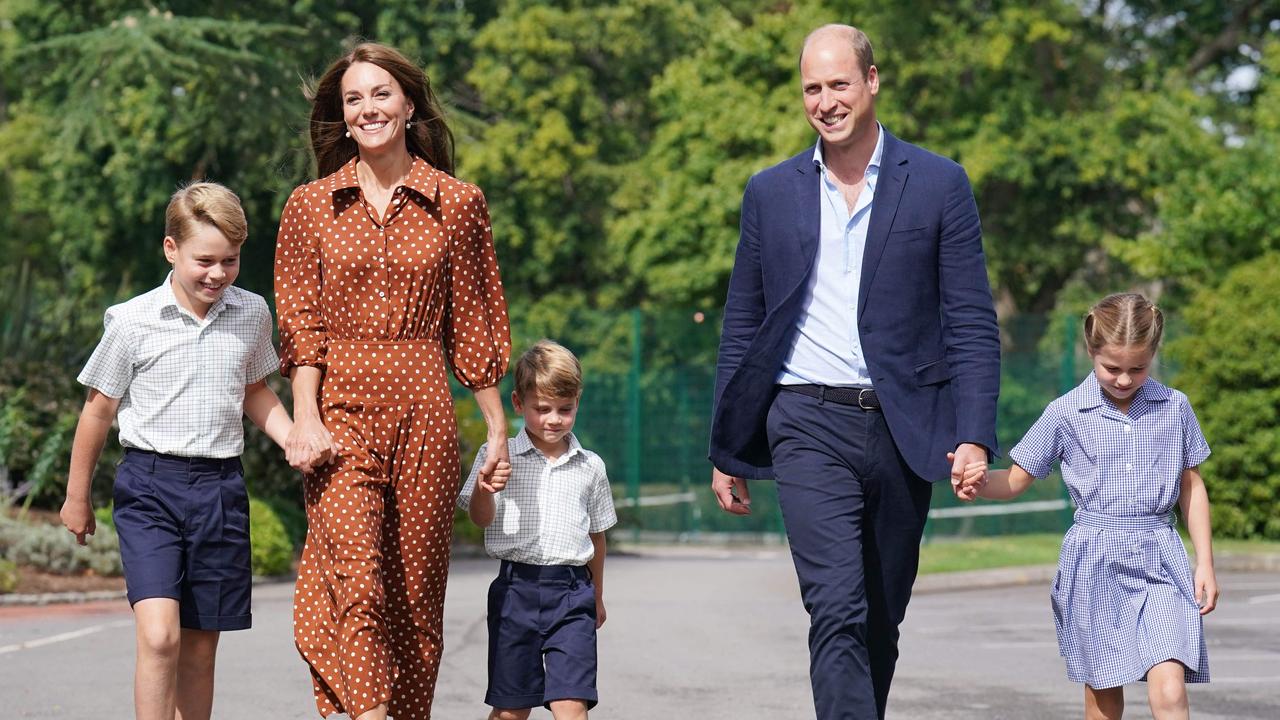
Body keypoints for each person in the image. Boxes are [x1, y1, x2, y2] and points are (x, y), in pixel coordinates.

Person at [708, 23, 1001, 720]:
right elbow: (742, 326)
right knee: (835, 606)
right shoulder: (770, 192)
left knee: (879, 618)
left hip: (905, 428)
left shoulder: (938, 183)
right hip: (805, 420)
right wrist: (726, 449)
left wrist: (975, 434)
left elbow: (970, 319)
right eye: (812, 87)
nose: (825, 101)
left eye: (839, 83)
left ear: (872, 82)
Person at [275, 42, 512, 720]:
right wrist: (306, 416)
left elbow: (473, 320)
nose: (369, 108)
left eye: (381, 94)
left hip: (425, 414)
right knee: (358, 585)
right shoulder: (310, 206)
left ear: (408, 105)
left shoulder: (459, 203)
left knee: (414, 598)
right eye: (354, 99)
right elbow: (299, 322)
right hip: (339, 411)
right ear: (342, 117)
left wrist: (497, 429)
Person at [59, 182, 294, 720]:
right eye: (204, 260)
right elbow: (97, 410)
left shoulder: (252, 312)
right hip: (150, 489)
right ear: (171, 250)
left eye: (230, 261)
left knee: (200, 647)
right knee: (161, 635)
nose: (217, 274)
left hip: (220, 491)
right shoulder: (131, 321)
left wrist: (293, 436)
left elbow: (256, 391)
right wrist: (77, 497)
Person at [953, 293, 1217, 720]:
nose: (1125, 379)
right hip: (1095, 562)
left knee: (1170, 685)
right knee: (1105, 697)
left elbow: (1192, 485)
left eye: (1138, 368)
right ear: (1090, 352)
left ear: (1153, 355)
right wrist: (978, 484)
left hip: (1160, 557)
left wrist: (1204, 562)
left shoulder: (1175, 407)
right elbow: (1016, 479)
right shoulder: (1065, 413)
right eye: (1112, 368)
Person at [457, 339, 617, 720]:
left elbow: (597, 536)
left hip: (572, 594)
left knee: (572, 704)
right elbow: (480, 518)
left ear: (577, 401)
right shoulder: (495, 456)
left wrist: (596, 595)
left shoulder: (590, 466)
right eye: (541, 409)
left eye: (565, 409)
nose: (553, 419)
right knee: (512, 709)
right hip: (516, 592)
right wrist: (484, 486)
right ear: (518, 404)